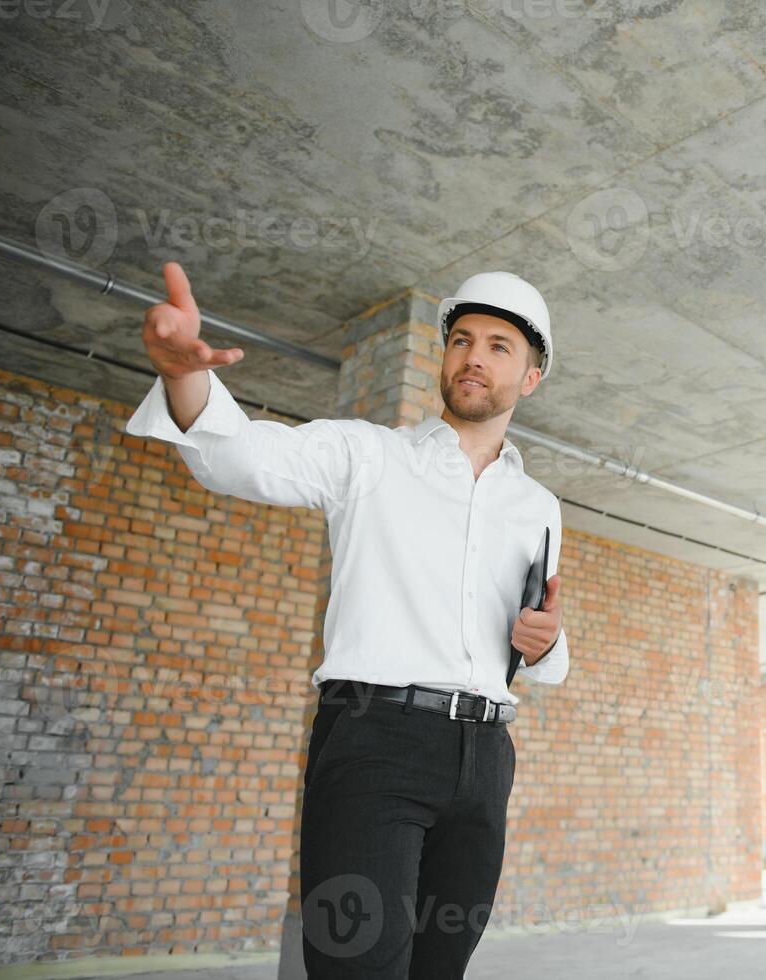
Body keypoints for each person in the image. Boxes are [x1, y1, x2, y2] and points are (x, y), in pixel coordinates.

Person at [124, 262, 570, 978]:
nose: (473, 357)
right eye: (460, 339)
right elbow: (243, 459)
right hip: (374, 741)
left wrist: (546, 643)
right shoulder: (368, 455)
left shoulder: (537, 506)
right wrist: (184, 377)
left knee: (440, 966)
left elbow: (543, 643)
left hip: (486, 757)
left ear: (530, 378)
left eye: (497, 346)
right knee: (357, 965)